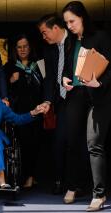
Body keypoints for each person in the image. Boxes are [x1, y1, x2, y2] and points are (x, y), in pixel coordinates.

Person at [61, 1, 111, 211]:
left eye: (72, 21)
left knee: (94, 143)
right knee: (73, 140)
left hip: (99, 96)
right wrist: (64, 80)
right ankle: (74, 186)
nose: (69, 26)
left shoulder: (100, 37)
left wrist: (99, 83)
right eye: (66, 23)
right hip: (76, 94)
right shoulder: (71, 41)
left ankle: (99, 194)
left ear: (82, 17)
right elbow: (67, 69)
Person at [37, 14, 72, 194]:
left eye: (45, 33)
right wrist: (48, 100)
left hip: (77, 98)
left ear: (56, 28)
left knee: (76, 142)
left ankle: (75, 183)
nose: (43, 37)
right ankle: (59, 180)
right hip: (59, 101)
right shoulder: (49, 49)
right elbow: (49, 78)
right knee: (58, 141)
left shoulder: (75, 41)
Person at [3, 34, 43, 189]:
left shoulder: (39, 64)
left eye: (25, 46)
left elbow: (46, 85)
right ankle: (27, 176)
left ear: (30, 47)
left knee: (36, 143)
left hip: (38, 109)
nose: (22, 49)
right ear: (15, 49)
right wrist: (11, 81)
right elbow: (3, 88)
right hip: (20, 112)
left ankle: (32, 175)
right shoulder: (10, 66)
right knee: (24, 144)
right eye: (19, 47)